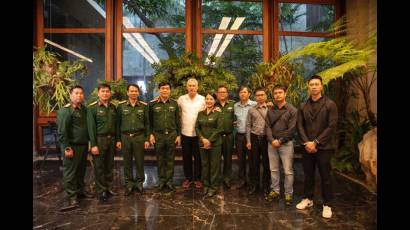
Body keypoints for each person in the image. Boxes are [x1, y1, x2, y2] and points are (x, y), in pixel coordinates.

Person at [295, 75, 338, 219]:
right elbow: (299, 125)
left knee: (325, 177)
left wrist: (316, 142)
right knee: (308, 175)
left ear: (321, 86)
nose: (314, 86)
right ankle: (308, 199)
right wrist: (307, 142)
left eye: (316, 84)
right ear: (308, 87)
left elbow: (331, 126)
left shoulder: (330, 104)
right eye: (311, 84)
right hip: (307, 147)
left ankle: (327, 204)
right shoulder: (303, 105)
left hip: (324, 147)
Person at [57, 85, 93, 209]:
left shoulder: (84, 109)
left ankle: (80, 191)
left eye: (81, 93)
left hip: (82, 146)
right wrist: (67, 147)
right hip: (71, 146)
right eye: (76, 93)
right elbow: (62, 131)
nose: (79, 95)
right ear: (70, 95)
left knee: (81, 171)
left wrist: (88, 143)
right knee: (70, 172)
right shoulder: (65, 111)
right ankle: (72, 197)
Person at [264, 85, 297, 205]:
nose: (278, 95)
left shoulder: (292, 110)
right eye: (276, 93)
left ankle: (288, 194)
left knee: (288, 170)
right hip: (271, 144)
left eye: (280, 92)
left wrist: (280, 141)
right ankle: (275, 191)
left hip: (286, 144)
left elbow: (292, 129)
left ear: (285, 94)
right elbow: (267, 126)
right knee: (273, 169)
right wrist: (272, 140)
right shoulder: (270, 110)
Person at [116, 84, 150, 196]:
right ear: (127, 93)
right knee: (127, 161)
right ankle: (129, 184)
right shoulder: (121, 106)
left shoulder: (144, 106)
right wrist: (118, 140)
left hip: (139, 137)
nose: (134, 93)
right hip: (125, 137)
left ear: (138, 93)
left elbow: (147, 123)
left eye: (136, 91)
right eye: (131, 91)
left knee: (140, 161)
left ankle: (139, 183)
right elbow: (118, 124)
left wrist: (147, 139)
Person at [87, 83, 119, 202]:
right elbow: (91, 128)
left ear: (110, 93)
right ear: (98, 93)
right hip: (99, 140)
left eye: (107, 91)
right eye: (103, 91)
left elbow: (116, 125)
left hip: (111, 140)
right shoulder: (92, 108)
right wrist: (93, 144)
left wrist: (117, 141)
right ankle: (101, 190)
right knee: (99, 166)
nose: (105, 93)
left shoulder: (113, 107)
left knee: (109, 165)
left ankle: (109, 187)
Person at [149, 82, 181, 192]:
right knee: (160, 159)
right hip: (158, 135)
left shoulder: (174, 104)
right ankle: (162, 181)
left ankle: (169, 181)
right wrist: (151, 134)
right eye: (163, 88)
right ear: (159, 90)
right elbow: (149, 122)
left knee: (170, 159)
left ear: (170, 90)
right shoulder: (152, 104)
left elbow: (178, 121)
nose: (165, 90)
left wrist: (179, 135)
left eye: (167, 88)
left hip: (172, 135)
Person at [177, 78, 205, 189]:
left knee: (198, 158)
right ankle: (188, 178)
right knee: (186, 157)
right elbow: (175, 110)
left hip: (198, 134)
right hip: (185, 133)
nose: (192, 87)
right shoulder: (181, 99)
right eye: (190, 85)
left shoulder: (203, 99)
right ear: (187, 87)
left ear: (197, 87)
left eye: (194, 85)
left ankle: (198, 179)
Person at [195, 92, 223, 197]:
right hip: (202, 143)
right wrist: (203, 139)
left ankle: (213, 187)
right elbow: (197, 127)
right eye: (207, 99)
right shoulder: (200, 113)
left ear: (215, 101)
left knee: (214, 166)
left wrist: (209, 141)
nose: (208, 101)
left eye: (211, 99)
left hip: (215, 144)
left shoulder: (218, 113)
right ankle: (206, 185)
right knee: (205, 165)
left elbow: (219, 128)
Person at [245, 87, 270, 195]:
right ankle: (254, 185)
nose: (260, 97)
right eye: (258, 95)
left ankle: (266, 186)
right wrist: (248, 141)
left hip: (266, 139)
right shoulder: (251, 109)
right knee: (253, 163)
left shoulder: (271, 108)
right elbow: (248, 125)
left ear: (265, 96)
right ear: (255, 97)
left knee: (266, 163)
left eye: (262, 95)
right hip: (254, 138)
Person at [234, 86, 257, 189]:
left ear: (249, 94)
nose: (242, 94)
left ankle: (252, 181)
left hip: (251, 136)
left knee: (252, 160)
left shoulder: (255, 104)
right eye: (241, 92)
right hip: (239, 136)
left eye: (244, 92)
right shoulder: (235, 106)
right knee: (241, 160)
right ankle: (241, 180)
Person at [215, 85, 236, 189]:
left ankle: (227, 179)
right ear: (217, 94)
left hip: (228, 136)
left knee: (228, 159)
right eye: (220, 92)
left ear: (227, 93)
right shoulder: (213, 104)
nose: (222, 94)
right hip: (217, 137)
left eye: (224, 92)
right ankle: (216, 179)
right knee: (216, 159)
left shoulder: (233, 105)